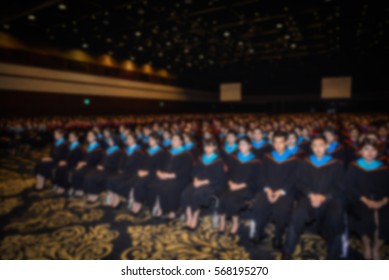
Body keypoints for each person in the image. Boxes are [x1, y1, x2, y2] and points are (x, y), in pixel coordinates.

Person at [283, 135, 345, 259]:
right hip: (308, 197)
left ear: (326, 146)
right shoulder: (305, 162)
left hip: (329, 200)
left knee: (336, 219)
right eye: (315, 146)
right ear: (311, 147)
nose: (318, 149)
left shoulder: (336, 164)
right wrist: (310, 195)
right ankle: (287, 251)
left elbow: (340, 185)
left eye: (321, 145)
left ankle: (333, 256)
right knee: (297, 215)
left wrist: (324, 197)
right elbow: (299, 182)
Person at [251, 131, 300, 249]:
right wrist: (267, 189)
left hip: (284, 192)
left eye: (281, 142)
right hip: (268, 189)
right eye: (275, 143)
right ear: (272, 143)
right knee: (259, 205)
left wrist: (280, 192)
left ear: (286, 142)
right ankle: (260, 232)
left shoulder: (294, 159)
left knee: (283, 210)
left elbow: (294, 179)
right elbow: (261, 175)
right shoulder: (267, 157)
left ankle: (278, 236)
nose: (278, 145)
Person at [346, 138, 389, 259]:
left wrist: (383, 201)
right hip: (360, 200)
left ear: (378, 152)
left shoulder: (384, 168)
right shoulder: (354, 166)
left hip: (382, 200)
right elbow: (351, 187)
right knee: (366, 219)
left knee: (385, 221)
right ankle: (367, 245)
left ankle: (377, 247)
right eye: (366, 149)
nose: (370, 153)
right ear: (360, 151)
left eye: (373, 149)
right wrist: (366, 200)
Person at [218, 137, 261, 235]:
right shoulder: (234, 158)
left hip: (246, 188)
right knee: (222, 197)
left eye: (244, 144)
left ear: (250, 146)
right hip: (232, 185)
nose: (242, 146)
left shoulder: (255, 161)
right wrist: (230, 182)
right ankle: (222, 221)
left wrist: (239, 186)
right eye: (240, 144)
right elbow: (228, 173)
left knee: (232, 199)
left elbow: (256, 180)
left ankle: (235, 222)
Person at [181, 138, 226, 230]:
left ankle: (195, 218)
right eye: (205, 146)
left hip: (211, 184)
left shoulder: (219, 161)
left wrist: (202, 182)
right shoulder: (200, 158)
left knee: (196, 194)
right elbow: (194, 171)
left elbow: (218, 177)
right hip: (198, 181)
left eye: (209, 146)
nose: (207, 148)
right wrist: (196, 179)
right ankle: (189, 217)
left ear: (214, 147)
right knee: (185, 193)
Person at [150, 133, 193, 220]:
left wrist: (171, 175)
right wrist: (158, 172)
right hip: (164, 175)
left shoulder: (186, 154)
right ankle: (159, 208)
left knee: (169, 188)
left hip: (179, 177)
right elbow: (159, 164)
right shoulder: (167, 152)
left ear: (181, 141)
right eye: (172, 139)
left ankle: (172, 211)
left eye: (176, 139)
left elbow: (186, 170)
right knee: (154, 185)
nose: (173, 141)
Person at [130, 132, 168, 215]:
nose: (149, 141)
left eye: (151, 140)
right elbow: (141, 163)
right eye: (149, 139)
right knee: (134, 179)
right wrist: (140, 170)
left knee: (140, 183)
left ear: (157, 141)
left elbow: (161, 167)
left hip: (154, 174)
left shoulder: (162, 153)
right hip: (145, 172)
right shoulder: (147, 151)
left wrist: (148, 172)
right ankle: (135, 201)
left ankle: (138, 204)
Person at [105, 134, 145, 208]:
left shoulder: (139, 152)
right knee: (110, 179)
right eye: (127, 139)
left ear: (134, 140)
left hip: (134, 173)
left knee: (123, 183)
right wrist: (120, 170)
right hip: (125, 172)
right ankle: (116, 200)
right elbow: (122, 162)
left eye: (130, 139)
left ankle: (129, 201)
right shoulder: (126, 150)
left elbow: (141, 166)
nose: (128, 141)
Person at [83, 135, 123, 204]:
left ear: (115, 141)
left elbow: (116, 164)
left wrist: (104, 167)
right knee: (89, 175)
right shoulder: (108, 150)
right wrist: (100, 164)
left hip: (111, 170)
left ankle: (95, 194)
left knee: (94, 177)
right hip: (103, 168)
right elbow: (103, 160)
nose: (109, 142)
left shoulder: (119, 151)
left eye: (111, 140)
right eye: (109, 140)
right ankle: (92, 193)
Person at [71, 131, 104, 197]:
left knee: (80, 172)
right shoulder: (88, 147)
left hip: (94, 166)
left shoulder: (98, 148)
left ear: (95, 137)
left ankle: (86, 190)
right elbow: (85, 157)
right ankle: (79, 189)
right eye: (88, 135)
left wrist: (85, 163)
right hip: (87, 165)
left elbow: (96, 160)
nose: (88, 137)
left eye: (90, 135)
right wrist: (81, 162)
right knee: (76, 170)